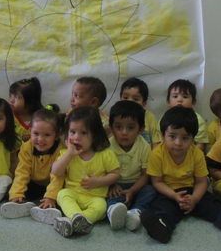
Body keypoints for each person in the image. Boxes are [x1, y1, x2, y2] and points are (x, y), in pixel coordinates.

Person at [140, 106, 221, 244]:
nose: (178, 143)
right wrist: (174, 196)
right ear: (163, 135)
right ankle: (161, 227)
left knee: (213, 206)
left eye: (185, 138)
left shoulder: (197, 153)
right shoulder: (157, 154)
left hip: (192, 190)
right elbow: (157, 182)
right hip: (168, 192)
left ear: (193, 138)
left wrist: (194, 198)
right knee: (163, 209)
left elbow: (201, 182)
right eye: (172, 136)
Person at [49, 107, 120, 238]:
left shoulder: (105, 154)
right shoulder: (67, 154)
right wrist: (69, 155)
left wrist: (99, 182)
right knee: (62, 194)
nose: (76, 137)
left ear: (95, 135)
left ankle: (75, 221)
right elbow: (55, 171)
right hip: (73, 193)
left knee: (101, 207)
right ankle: (76, 217)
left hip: (95, 197)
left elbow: (115, 174)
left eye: (83, 133)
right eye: (72, 132)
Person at [0, 108, 65, 222]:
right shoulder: (26, 147)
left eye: (47, 135)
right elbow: (22, 172)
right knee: (12, 190)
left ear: (56, 135)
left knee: (61, 196)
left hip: (55, 183)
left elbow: (57, 176)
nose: (40, 139)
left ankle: (48, 208)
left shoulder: (61, 150)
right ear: (30, 131)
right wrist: (17, 193)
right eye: (36, 133)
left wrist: (50, 197)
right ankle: (21, 204)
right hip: (35, 182)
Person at [105, 100, 155, 232]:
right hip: (115, 184)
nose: (124, 132)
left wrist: (132, 190)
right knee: (106, 194)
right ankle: (112, 211)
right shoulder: (107, 146)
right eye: (118, 127)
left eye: (130, 127)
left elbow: (146, 174)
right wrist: (111, 185)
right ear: (111, 127)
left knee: (150, 191)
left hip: (137, 183)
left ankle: (135, 212)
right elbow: (102, 171)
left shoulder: (144, 146)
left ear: (141, 129)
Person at [165, 79, 210, 150]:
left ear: (193, 102)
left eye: (185, 97)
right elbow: (161, 139)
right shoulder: (165, 118)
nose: (179, 100)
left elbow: (200, 143)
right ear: (168, 102)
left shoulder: (198, 120)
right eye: (175, 96)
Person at [119, 77, 161, 146]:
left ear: (144, 103)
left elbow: (156, 142)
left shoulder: (149, 117)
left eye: (135, 99)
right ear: (120, 99)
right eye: (125, 98)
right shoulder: (117, 116)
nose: (129, 101)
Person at [8, 77, 44, 142]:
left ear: (30, 101)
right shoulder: (8, 116)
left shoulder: (42, 118)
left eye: (17, 97)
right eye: (10, 95)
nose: (11, 100)